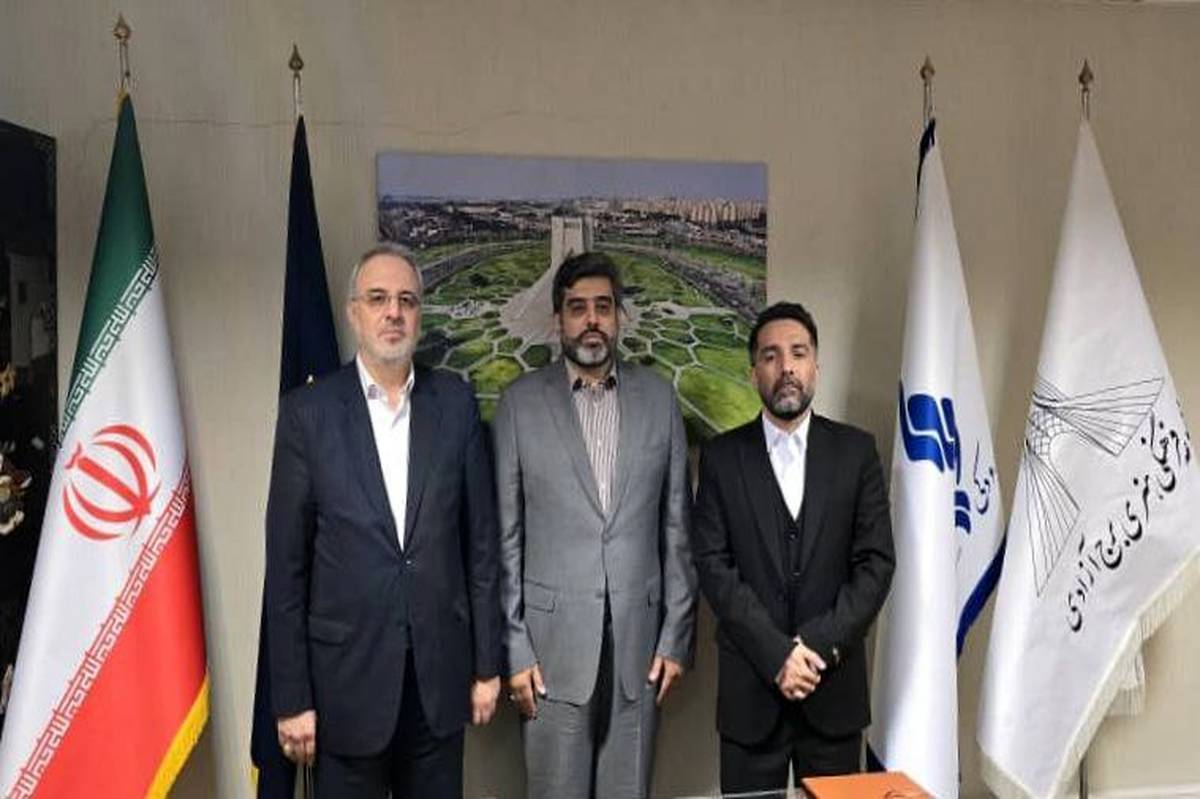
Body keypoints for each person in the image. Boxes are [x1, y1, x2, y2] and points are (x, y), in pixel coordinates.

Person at [265, 242, 500, 797]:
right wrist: (292, 699)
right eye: (377, 299)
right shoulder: (307, 415)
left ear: (419, 314)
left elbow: (482, 546)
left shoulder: (455, 405)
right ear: (354, 312)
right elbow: (286, 569)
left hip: (438, 685)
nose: (393, 312)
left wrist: (487, 665)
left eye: (406, 300)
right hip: (344, 688)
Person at [493, 251, 696, 798]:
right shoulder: (519, 405)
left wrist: (675, 638)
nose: (591, 320)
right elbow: (505, 541)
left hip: (641, 650)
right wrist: (514, 649)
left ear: (618, 316)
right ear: (558, 319)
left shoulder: (659, 399)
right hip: (548, 654)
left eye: (603, 307)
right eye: (577, 307)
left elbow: (678, 528)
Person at [692, 301, 895, 796]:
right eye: (771, 356)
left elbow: (875, 564)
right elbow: (714, 567)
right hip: (750, 698)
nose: (786, 367)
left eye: (798, 353)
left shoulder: (856, 452)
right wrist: (777, 655)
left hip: (833, 693)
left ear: (815, 367)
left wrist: (815, 647)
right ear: (753, 373)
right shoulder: (721, 458)